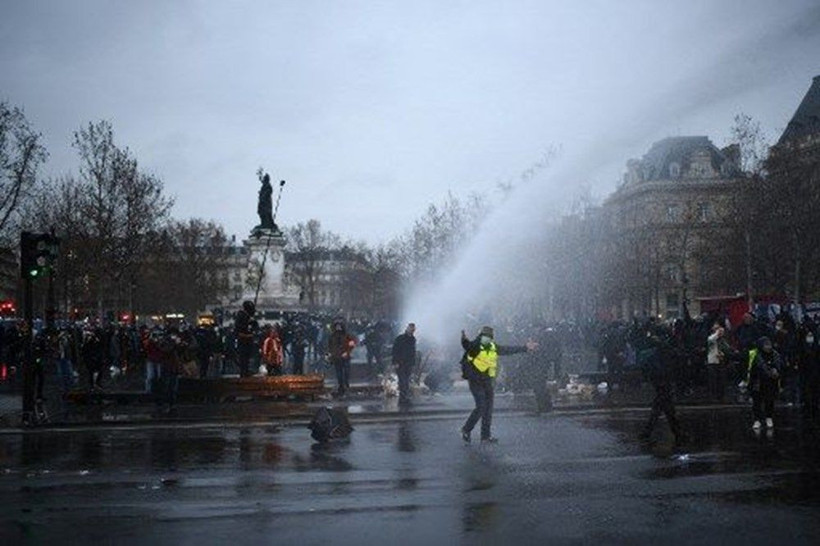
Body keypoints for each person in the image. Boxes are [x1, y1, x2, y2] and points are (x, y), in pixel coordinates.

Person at [460, 326, 537, 443]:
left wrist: (525, 348)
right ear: (480, 336)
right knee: (481, 407)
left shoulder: (492, 347)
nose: (486, 339)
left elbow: (507, 350)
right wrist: (464, 340)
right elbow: (467, 346)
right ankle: (466, 429)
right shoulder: (476, 346)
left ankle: (485, 436)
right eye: (484, 336)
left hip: (487, 381)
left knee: (488, 409)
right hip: (475, 381)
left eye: (489, 337)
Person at [638, 327, 683, 445]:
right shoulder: (664, 346)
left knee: (662, 408)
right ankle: (676, 433)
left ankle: (648, 432)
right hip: (663, 378)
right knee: (666, 408)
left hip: (658, 379)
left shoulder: (655, 345)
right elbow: (673, 357)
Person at [748, 336, 782, 431]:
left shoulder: (775, 355)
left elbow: (780, 366)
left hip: (771, 382)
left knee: (769, 400)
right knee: (757, 402)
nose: (768, 347)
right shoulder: (755, 355)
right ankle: (757, 420)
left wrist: (776, 372)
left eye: (769, 344)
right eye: (766, 345)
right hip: (758, 382)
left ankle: (769, 417)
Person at [328, 320, 356, 396]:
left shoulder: (347, 335)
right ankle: (341, 386)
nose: (338, 328)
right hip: (336, 357)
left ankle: (346, 384)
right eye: (337, 326)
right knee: (339, 372)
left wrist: (347, 352)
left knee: (346, 372)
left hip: (345, 356)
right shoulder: (332, 336)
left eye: (339, 326)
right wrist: (330, 354)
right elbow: (330, 346)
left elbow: (352, 344)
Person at [392, 323, 417, 406]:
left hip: (408, 363)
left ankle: (404, 397)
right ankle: (403, 397)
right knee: (403, 380)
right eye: (411, 329)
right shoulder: (400, 338)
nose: (412, 331)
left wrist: (413, 363)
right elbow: (395, 350)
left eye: (413, 330)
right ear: (407, 329)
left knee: (406, 380)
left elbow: (413, 352)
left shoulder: (413, 339)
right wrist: (395, 362)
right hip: (400, 362)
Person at [706, 323, 731, 402]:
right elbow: (711, 340)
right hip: (712, 362)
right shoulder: (710, 338)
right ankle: (713, 396)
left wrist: (723, 353)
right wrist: (717, 333)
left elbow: (727, 348)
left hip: (721, 361)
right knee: (713, 380)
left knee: (722, 380)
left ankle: (722, 396)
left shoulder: (723, 340)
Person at [235, 301, 258, 378]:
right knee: (243, 356)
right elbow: (239, 327)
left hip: (249, 338)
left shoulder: (250, 316)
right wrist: (247, 322)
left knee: (248, 356)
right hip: (243, 338)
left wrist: (253, 322)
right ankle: (243, 371)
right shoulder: (241, 315)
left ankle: (247, 370)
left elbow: (255, 326)